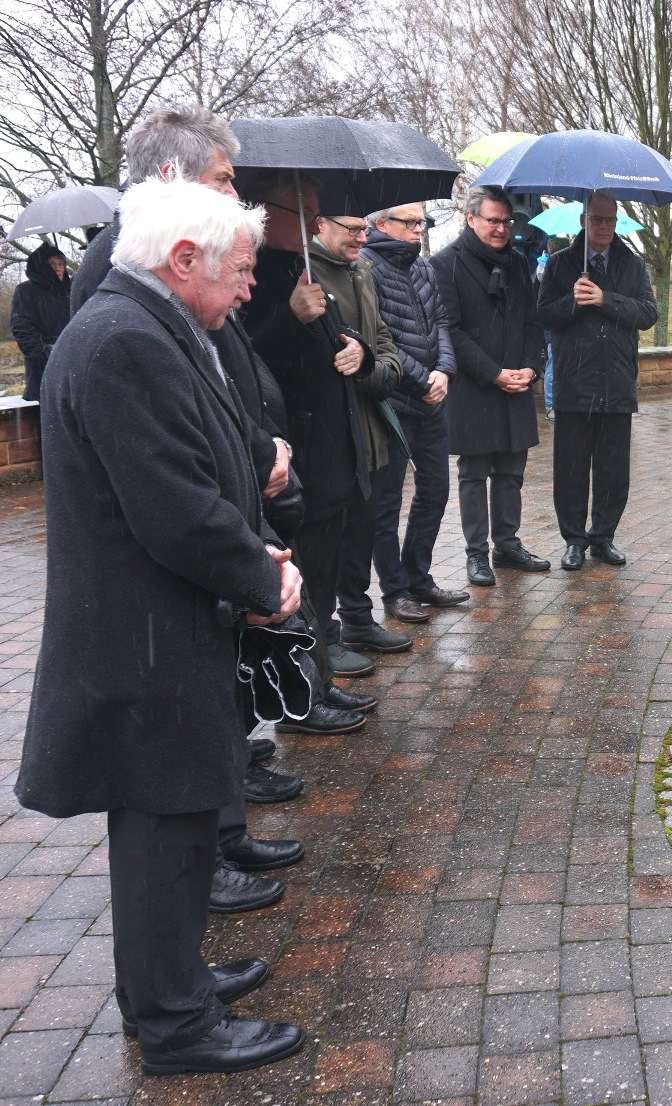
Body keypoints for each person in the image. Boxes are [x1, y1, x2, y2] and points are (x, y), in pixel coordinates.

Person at [14, 177, 306, 1075]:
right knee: (163, 833)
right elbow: (175, 508)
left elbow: (203, 460)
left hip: (156, 631)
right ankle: (177, 1025)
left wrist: (258, 533)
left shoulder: (144, 326)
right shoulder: (124, 343)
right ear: (184, 261)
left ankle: (170, 986)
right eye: (241, 269)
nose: (250, 287)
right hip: (146, 641)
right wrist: (261, 576)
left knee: (170, 829)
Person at [68, 104, 347, 916]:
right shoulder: (121, 288)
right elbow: (157, 444)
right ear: (173, 179)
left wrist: (256, 449)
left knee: (214, 715)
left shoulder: (192, 273)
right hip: (172, 575)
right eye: (226, 179)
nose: (237, 192)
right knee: (173, 761)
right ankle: (203, 873)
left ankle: (221, 833)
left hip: (230, 511)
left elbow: (225, 373)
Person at [240, 178, 409, 669]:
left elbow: (360, 339)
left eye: (318, 212)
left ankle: (324, 649)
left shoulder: (304, 267)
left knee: (336, 542)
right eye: (308, 213)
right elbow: (249, 365)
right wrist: (290, 318)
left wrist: (355, 347)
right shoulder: (258, 272)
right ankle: (313, 656)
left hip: (338, 439)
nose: (315, 223)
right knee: (307, 553)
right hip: (300, 444)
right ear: (269, 212)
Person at [432, 186, 550, 584]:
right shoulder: (445, 264)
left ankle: (508, 546)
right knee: (474, 472)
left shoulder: (518, 264)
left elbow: (533, 322)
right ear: (471, 218)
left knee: (511, 470)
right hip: (475, 387)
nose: (501, 229)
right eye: (492, 220)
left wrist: (532, 368)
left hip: (516, 382)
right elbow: (451, 330)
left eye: (506, 221)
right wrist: (493, 373)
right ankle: (476, 554)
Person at [537, 192, 657, 570]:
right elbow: (543, 316)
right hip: (575, 383)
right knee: (571, 469)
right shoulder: (559, 265)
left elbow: (648, 313)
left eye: (609, 220)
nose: (603, 227)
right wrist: (573, 301)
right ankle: (574, 540)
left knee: (612, 468)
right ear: (582, 221)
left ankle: (603, 536)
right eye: (596, 219)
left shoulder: (632, 264)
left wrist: (606, 299)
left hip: (618, 382)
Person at [361, 203, 468, 621]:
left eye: (421, 222)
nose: (418, 229)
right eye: (410, 222)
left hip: (432, 403)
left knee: (436, 492)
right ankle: (395, 590)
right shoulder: (366, 267)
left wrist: (444, 370)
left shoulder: (422, 266)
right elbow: (378, 337)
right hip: (394, 405)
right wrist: (423, 379)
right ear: (382, 223)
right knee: (386, 502)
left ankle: (419, 577)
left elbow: (440, 321)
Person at [11, 243, 70, 401]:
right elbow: (22, 328)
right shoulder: (26, 291)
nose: (58, 268)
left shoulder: (70, 291)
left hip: (72, 364)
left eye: (60, 263)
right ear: (42, 265)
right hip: (43, 369)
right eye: (52, 263)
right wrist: (45, 354)